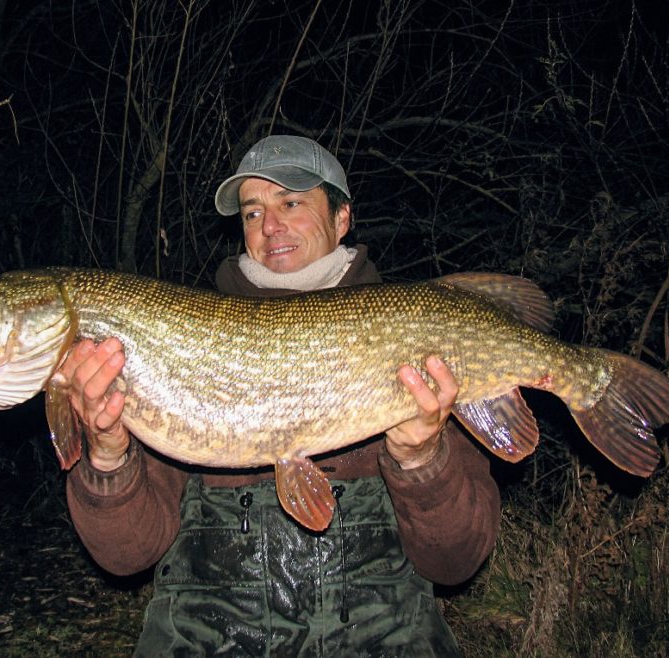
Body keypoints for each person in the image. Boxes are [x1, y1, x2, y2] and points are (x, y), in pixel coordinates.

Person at [61, 135, 501, 656]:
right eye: (252, 213)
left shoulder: (416, 335)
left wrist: (422, 460)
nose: (269, 226)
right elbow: (125, 557)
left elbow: (456, 562)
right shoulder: (185, 340)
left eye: (290, 203)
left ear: (341, 219)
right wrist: (109, 457)